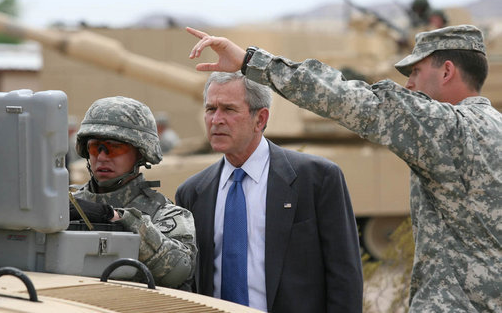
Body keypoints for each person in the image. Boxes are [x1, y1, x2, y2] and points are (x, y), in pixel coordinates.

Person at [185, 25, 501, 312]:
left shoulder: (446, 128)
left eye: (416, 71)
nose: (409, 84)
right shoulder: (495, 129)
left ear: (446, 71)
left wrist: (251, 62)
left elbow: (347, 99)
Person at [175, 71, 363, 312]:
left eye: (229, 109)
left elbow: (344, 277)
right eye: (211, 109)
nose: (216, 119)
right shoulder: (192, 192)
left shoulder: (317, 179)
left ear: (260, 119)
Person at [71, 95, 197, 290]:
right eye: (95, 148)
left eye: (114, 148)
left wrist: (117, 218)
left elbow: (178, 270)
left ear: (140, 152)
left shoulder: (165, 214)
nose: (102, 157)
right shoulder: (68, 206)